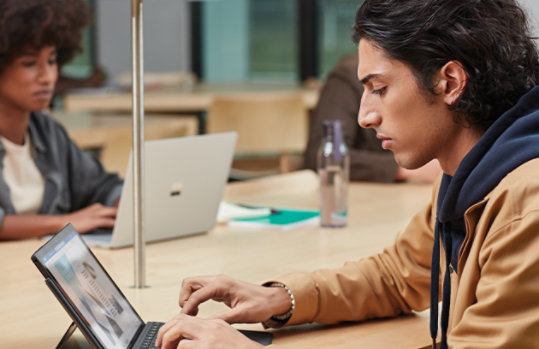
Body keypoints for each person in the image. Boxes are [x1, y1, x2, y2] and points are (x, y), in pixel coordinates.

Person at [156, 0, 539, 348]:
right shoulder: (469, 174)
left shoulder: (528, 205)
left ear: (450, 82)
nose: (365, 116)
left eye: (379, 88)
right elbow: (397, 276)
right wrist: (280, 298)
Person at [0, 0, 122, 240]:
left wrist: (121, 206)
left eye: (52, 60)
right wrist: (62, 223)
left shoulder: (48, 132)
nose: (48, 77)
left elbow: (103, 185)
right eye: (30, 63)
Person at [304, 53, 441, 183]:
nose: (364, 118)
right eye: (379, 89)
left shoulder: (425, 73)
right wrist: (408, 168)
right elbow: (323, 155)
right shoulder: (347, 74)